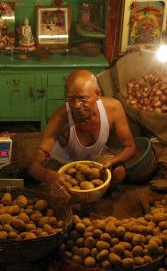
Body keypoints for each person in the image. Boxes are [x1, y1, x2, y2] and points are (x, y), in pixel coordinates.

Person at [28, 70, 137, 201]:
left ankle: (101, 202)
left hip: (94, 159)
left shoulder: (113, 108)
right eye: (71, 99)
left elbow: (130, 147)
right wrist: (48, 175)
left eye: (83, 99)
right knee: (58, 196)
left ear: (97, 94)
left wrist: (112, 162)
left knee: (119, 172)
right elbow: (33, 167)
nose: (77, 105)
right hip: (62, 164)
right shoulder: (60, 118)